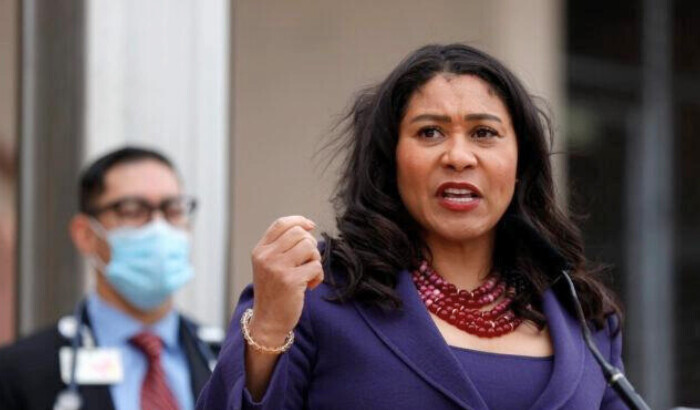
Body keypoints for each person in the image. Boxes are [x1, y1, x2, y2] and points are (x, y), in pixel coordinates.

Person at [197, 44, 627, 409]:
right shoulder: (316, 291)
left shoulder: (583, 315)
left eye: (483, 132)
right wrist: (270, 327)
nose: (459, 156)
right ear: (390, 161)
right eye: (430, 133)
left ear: (521, 164)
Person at [0, 147, 221, 410]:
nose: (158, 228)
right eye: (132, 210)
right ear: (86, 235)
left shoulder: (232, 360)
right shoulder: (22, 371)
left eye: (173, 209)